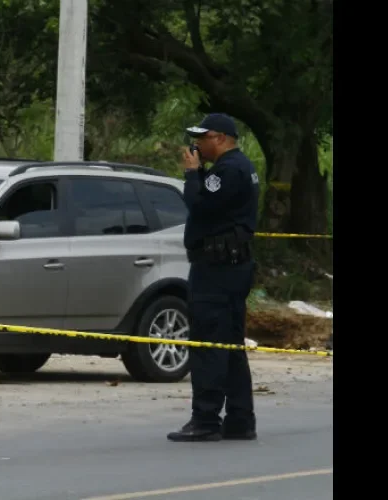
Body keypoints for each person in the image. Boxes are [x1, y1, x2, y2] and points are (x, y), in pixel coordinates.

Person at [167, 113, 261, 442]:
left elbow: (200, 205)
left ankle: (205, 418)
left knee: (209, 344)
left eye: (202, 138)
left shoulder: (229, 169)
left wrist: (192, 174)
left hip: (217, 270)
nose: (197, 145)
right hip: (231, 266)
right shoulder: (239, 167)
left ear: (220, 138)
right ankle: (239, 417)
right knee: (230, 345)